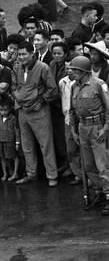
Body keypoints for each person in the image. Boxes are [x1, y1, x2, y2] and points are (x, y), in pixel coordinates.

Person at [67, 55, 109, 214]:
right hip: (82, 128)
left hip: (97, 127)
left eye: (75, 70)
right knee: (88, 165)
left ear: (83, 71)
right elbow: (72, 110)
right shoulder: (74, 86)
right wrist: (74, 130)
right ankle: (99, 191)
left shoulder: (98, 85)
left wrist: (106, 128)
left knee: (102, 165)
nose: (72, 72)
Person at [12, 41, 59, 186]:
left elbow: (53, 90)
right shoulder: (17, 67)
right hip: (22, 111)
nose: (21, 57)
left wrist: (40, 102)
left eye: (24, 54)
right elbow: (14, 86)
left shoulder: (42, 67)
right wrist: (18, 100)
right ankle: (31, 174)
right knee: (26, 145)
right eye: (19, 54)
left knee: (46, 144)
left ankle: (52, 176)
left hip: (39, 111)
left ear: (32, 53)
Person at [0, 96, 20, 181]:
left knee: (13, 156)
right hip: (1, 141)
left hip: (10, 141)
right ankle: (5, 173)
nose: (3, 112)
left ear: (10, 109)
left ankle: (15, 173)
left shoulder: (13, 118)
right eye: (1, 110)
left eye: (5, 110)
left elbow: (17, 130)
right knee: (3, 157)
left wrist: (17, 142)